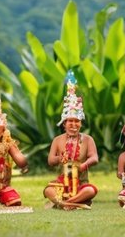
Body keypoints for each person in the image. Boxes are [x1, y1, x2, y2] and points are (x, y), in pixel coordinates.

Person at [44, 73, 99, 208]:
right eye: (70, 121)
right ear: (64, 123)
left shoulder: (88, 139)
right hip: (62, 183)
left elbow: (95, 158)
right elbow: (50, 161)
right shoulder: (57, 140)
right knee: (48, 190)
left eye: (77, 121)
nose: (73, 124)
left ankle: (66, 203)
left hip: (81, 184)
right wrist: (59, 158)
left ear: (80, 123)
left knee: (90, 190)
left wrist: (83, 165)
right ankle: (73, 203)